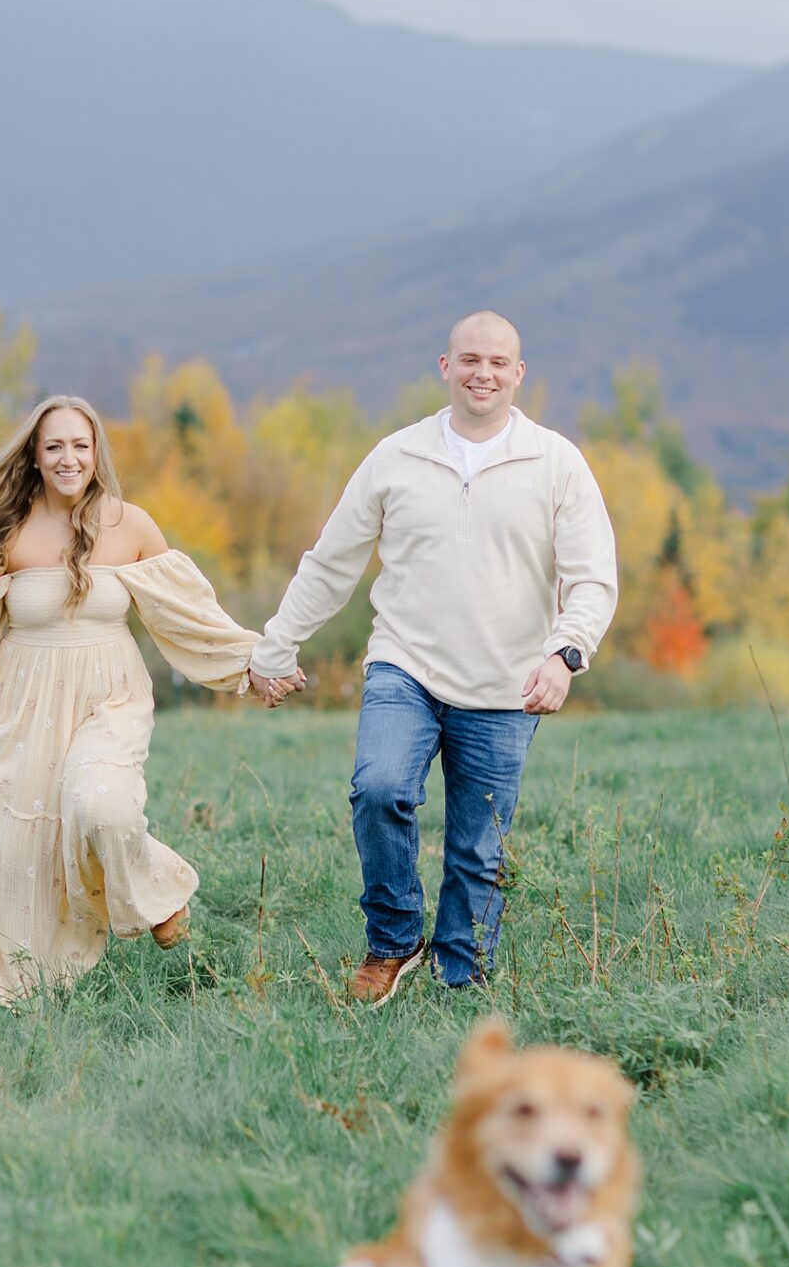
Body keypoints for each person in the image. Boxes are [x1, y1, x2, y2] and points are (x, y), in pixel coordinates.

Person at [247, 311, 618, 999]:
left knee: (476, 851)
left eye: (497, 362)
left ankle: (458, 982)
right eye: (469, 359)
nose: (483, 373)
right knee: (379, 787)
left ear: (518, 374)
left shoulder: (554, 461)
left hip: (507, 683)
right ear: (444, 367)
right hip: (405, 666)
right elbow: (332, 562)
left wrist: (564, 655)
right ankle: (392, 940)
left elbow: (592, 576)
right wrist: (276, 646)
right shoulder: (396, 456)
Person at [0, 395, 294, 1003]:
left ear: (96, 453)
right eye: (54, 447)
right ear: (36, 459)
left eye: (80, 445)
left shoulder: (130, 526)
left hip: (109, 698)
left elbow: (187, 613)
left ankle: (155, 893)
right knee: (27, 854)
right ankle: (37, 989)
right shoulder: (8, 529)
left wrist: (252, 665)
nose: (69, 458)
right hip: (23, 709)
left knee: (99, 804)